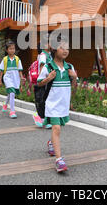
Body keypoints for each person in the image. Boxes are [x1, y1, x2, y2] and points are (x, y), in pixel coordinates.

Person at [37, 39, 78, 173]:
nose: (65, 50)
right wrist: (48, 78)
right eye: (62, 47)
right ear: (54, 50)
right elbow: (39, 84)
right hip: (51, 103)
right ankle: (59, 160)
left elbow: (74, 88)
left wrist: (74, 77)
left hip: (63, 105)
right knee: (56, 128)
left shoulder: (70, 67)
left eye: (67, 48)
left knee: (58, 129)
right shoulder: (48, 67)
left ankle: (51, 143)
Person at [0, 41, 25, 119]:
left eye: (13, 48)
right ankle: (12, 111)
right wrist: (0, 80)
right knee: (12, 93)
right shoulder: (5, 59)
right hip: (7, 78)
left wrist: (21, 78)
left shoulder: (17, 59)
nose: (12, 50)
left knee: (11, 93)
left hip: (15, 78)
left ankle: (5, 104)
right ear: (7, 50)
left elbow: (20, 70)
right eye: (10, 49)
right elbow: (2, 70)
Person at [33, 38, 53, 129]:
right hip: (44, 81)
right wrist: (42, 80)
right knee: (43, 100)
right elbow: (42, 67)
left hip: (48, 80)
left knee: (46, 99)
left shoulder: (49, 55)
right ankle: (41, 118)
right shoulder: (43, 55)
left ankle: (44, 118)